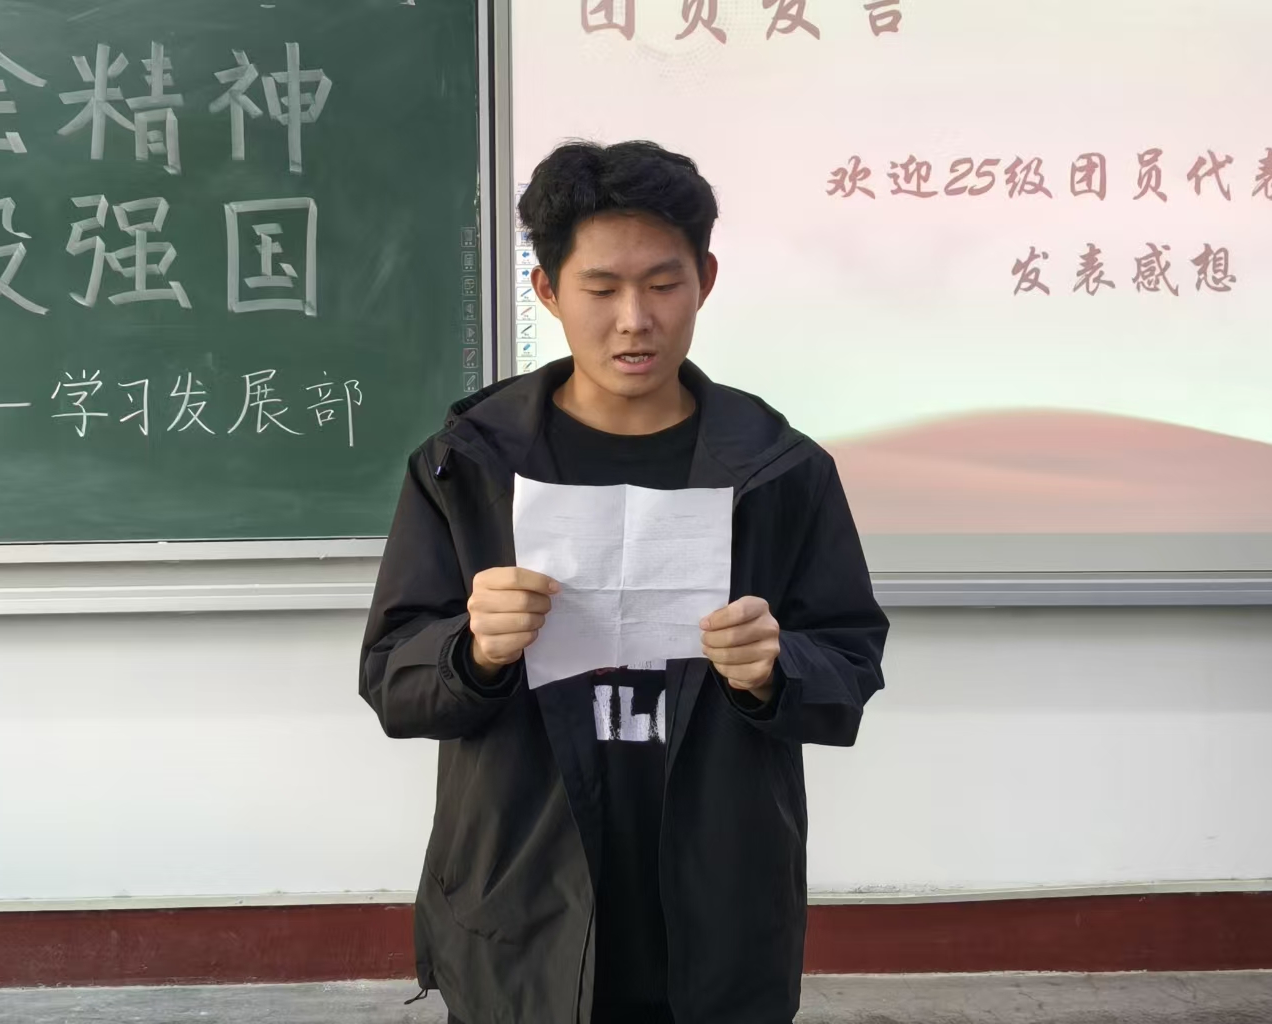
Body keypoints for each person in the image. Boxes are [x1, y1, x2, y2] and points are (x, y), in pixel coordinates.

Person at [360, 140, 888, 1024]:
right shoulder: (468, 467)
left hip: (719, 910)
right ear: (547, 290)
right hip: (520, 904)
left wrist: (774, 669)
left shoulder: (780, 472)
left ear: (705, 280)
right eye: (601, 289)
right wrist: (472, 653)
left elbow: (849, 666)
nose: (635, 320)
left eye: (663, 284)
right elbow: (392, 681)